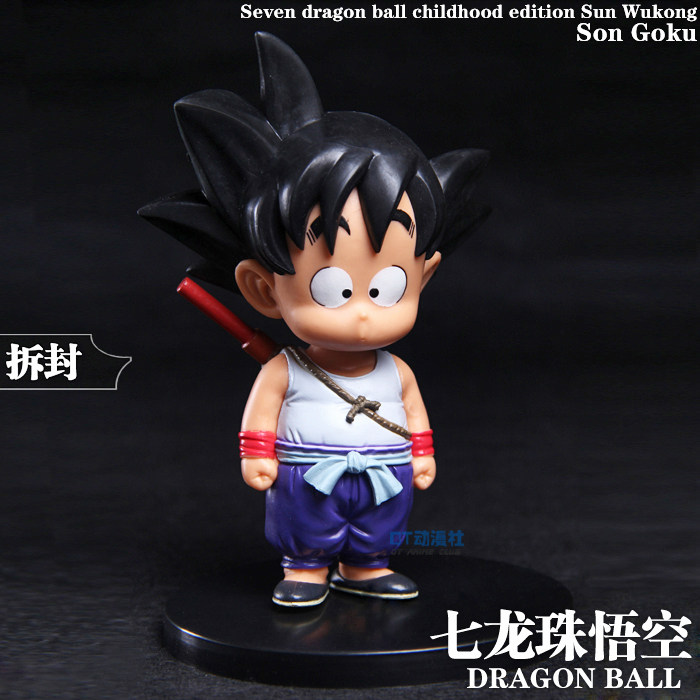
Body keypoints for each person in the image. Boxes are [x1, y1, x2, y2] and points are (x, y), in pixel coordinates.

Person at [140, 33, 488, 607]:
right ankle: (304, 567)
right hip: (308, 472)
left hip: (385, 469)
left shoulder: (396, 371)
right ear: (264, 288)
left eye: (388, 288)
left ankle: (367, 565)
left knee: (381, 522)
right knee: (306, 522)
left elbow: (414, 414)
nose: (362, 313)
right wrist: (258, 453)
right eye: (333, 289)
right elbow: (262, 412)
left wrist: (422, 452)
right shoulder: (285, 369)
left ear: (423, 277)